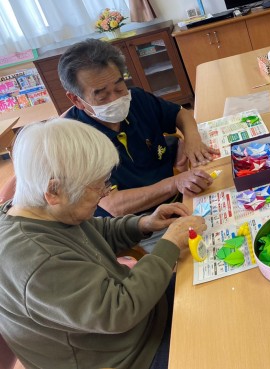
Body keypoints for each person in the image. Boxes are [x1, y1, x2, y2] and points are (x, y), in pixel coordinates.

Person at [0, 118, 207, 369]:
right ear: (54, 191)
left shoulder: (38, 209)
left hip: (142, 315)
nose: (105, 193)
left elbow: (96, 231)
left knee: (213, 289)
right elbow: (119, 311)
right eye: (98, 187)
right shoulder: (34, 260)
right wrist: (169, 245)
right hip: (132, 355)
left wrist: (143, 224)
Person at [57, 39, 219, 220]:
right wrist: (175, 183)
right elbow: (114, 205)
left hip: (177, 196)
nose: (115, 99)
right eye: (102, 96)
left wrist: (192, 139)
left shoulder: (137, 99)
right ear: (76, 100)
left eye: (119, 87)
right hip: (137, 222)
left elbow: (180, 114)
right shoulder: (72, 142)